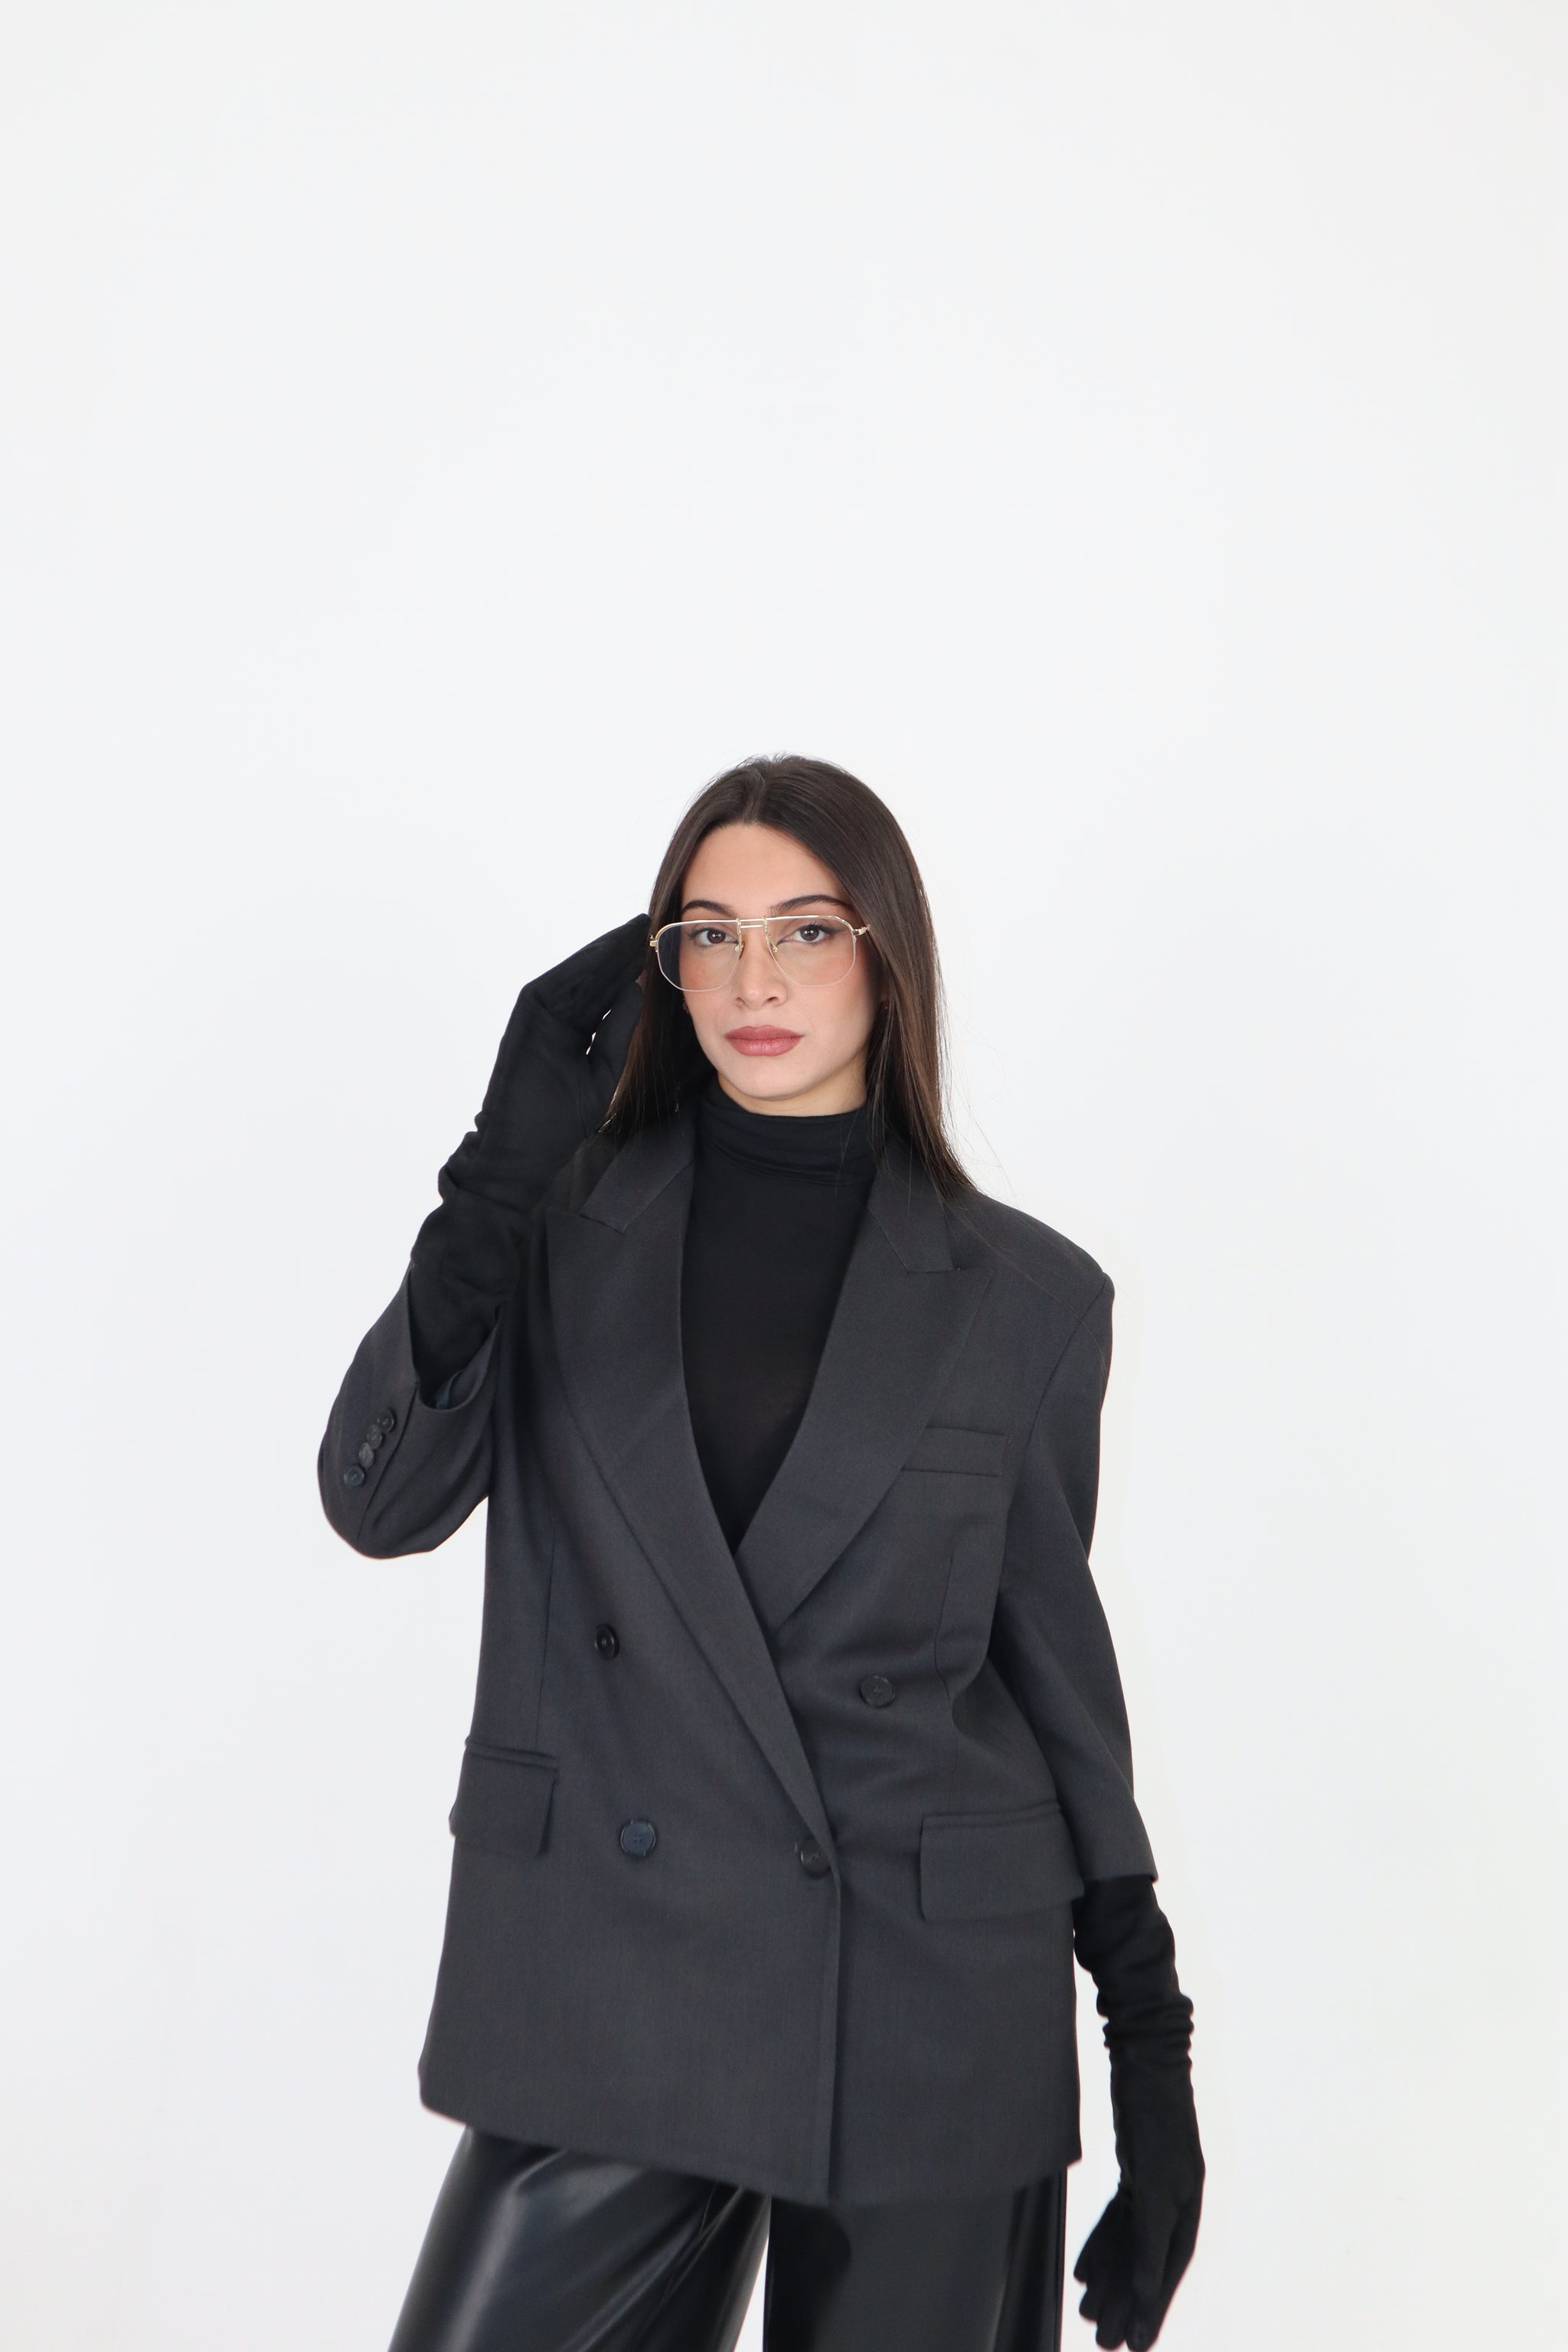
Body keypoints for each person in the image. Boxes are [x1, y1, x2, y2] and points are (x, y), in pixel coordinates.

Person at [319, 756, 1204, 2352]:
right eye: (709, 936)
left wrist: (1151, 2057)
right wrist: (493, 1181)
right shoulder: (555, 1226)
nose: (754, 980)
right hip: (602, 1990)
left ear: (887, 955)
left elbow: (1055, 1683)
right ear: (662, 967)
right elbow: (378, 1504)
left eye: (805, 930)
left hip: (924, 2004)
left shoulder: (1027, 1299)